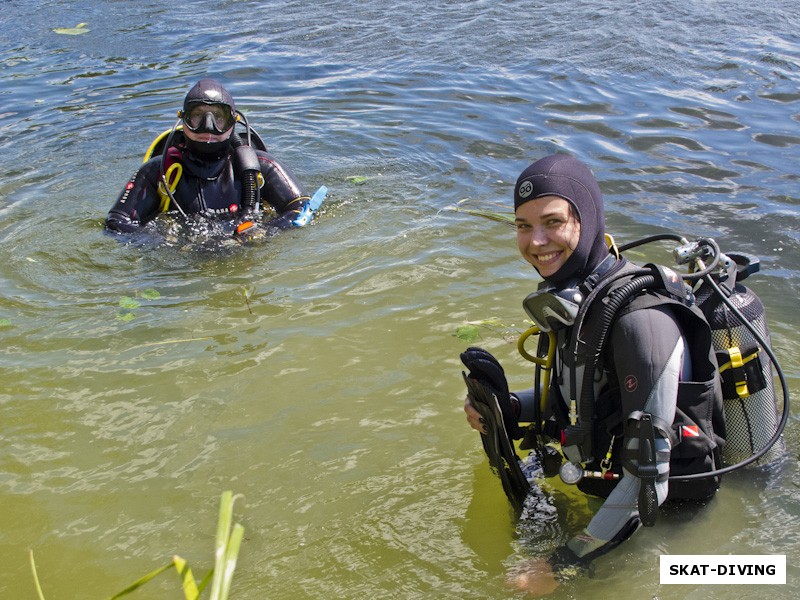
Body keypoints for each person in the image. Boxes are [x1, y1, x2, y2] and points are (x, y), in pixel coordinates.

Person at [461, 154, 725, 593]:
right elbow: (587, 397)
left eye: (552, 222)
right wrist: (508, 408)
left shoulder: (640, 324)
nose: (536, 240)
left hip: (672, 528)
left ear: (588, 220)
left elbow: (648, 486)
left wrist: (564, 563)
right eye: (523, 226)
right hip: (611, 501)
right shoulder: (580, 302)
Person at [105, 78, 311, 237]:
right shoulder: (157, 172)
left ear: (233, 122)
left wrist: (263, 232)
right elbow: (116, 222)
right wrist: (165, 243)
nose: (208, 126)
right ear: (183, 120)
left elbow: (303, 207)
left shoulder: (261, 166)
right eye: (197, 116)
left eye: (219, 118)